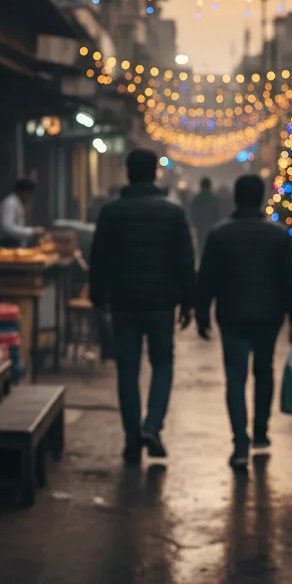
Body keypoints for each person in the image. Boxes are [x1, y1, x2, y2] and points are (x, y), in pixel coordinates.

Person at [89, 148, 195, 464]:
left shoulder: (111, 212)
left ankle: (131, 438)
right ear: (154, 174)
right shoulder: (173, 213)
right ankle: (152, 426)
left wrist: (97, 297)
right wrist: (189, 301)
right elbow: (185, 260)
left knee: (128, 370)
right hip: (162, 303)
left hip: (123, 302)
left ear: (127, 174)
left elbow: (99, 258)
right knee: (163, 364)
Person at [195, 174, 292, 471]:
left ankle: (240, 442)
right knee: (264, 371)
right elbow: (290, 282)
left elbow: (207, 279)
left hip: (232, 315)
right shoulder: (279, 235)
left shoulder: (219, 235)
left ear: (235, 197)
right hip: (269, 316)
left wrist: (202, 313)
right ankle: (260, 431)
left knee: (235, 378)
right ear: (262, 198)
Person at [0, 178, 43, 247]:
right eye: (29, 194)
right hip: (6, 243)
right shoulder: (10, 203)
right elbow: (7, 227)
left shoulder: (17, 202)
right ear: (23, 192)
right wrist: (31, 231)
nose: (30, 198)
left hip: (13, 242)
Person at [189, 177, 221, 249]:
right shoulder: (214, 199)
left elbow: (193, 212)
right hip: (212, 226)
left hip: (201, 226)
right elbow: (218, 212)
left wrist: (194, 223)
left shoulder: (196, 199)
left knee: (201, 245)